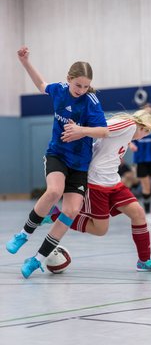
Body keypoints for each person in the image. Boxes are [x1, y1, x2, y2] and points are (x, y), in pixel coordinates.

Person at [6, 46, 108, 278]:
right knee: (54, 192)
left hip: (80, 164)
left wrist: (81, 130)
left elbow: (104, 131)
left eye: (85, 86)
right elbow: (42, 85)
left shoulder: (91, 102)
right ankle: (23, 234)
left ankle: (37, 259)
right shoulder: (60, 90)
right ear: (68, 79)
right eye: (78, 85)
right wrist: (25, 63)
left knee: (71, 210)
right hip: (57, 155)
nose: (81, 90)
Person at [47, 109, 151, 273]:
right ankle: (54, 215)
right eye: (147, 133)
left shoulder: (129, 133)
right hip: (96, 182)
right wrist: (81, 130)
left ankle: (144, 260)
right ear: (144, 128)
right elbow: (103, 128)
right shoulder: (129, 125)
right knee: (100, 229)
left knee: (138, 213)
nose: (145, 137)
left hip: (113, 182)